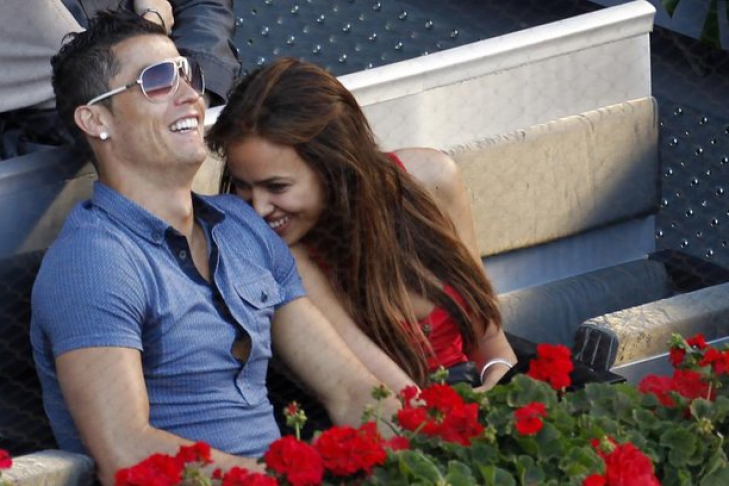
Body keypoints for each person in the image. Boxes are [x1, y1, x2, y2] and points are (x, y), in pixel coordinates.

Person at [30, 12, 407, 486]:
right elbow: (125, 450)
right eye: (158, 81)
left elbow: (350, 391)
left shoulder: (240, 226)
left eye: (186, 73)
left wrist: (439, 455)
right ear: (96, 119)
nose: (191, 94)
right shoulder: (93, 261)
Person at [206, 58, 518, 394]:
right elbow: (390, 393)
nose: (258, 208)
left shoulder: (432, 179)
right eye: (243, 186)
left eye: (277, 187)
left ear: (333, 168)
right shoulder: (284, 257)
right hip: (398, 414)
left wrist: (499, 384)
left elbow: (490, 337)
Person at [0, 0, 240, 159]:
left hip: (183, 123)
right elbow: (70, 77)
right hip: (48, 164)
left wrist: (193, 87)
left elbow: (203, 7)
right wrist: (150, 24)